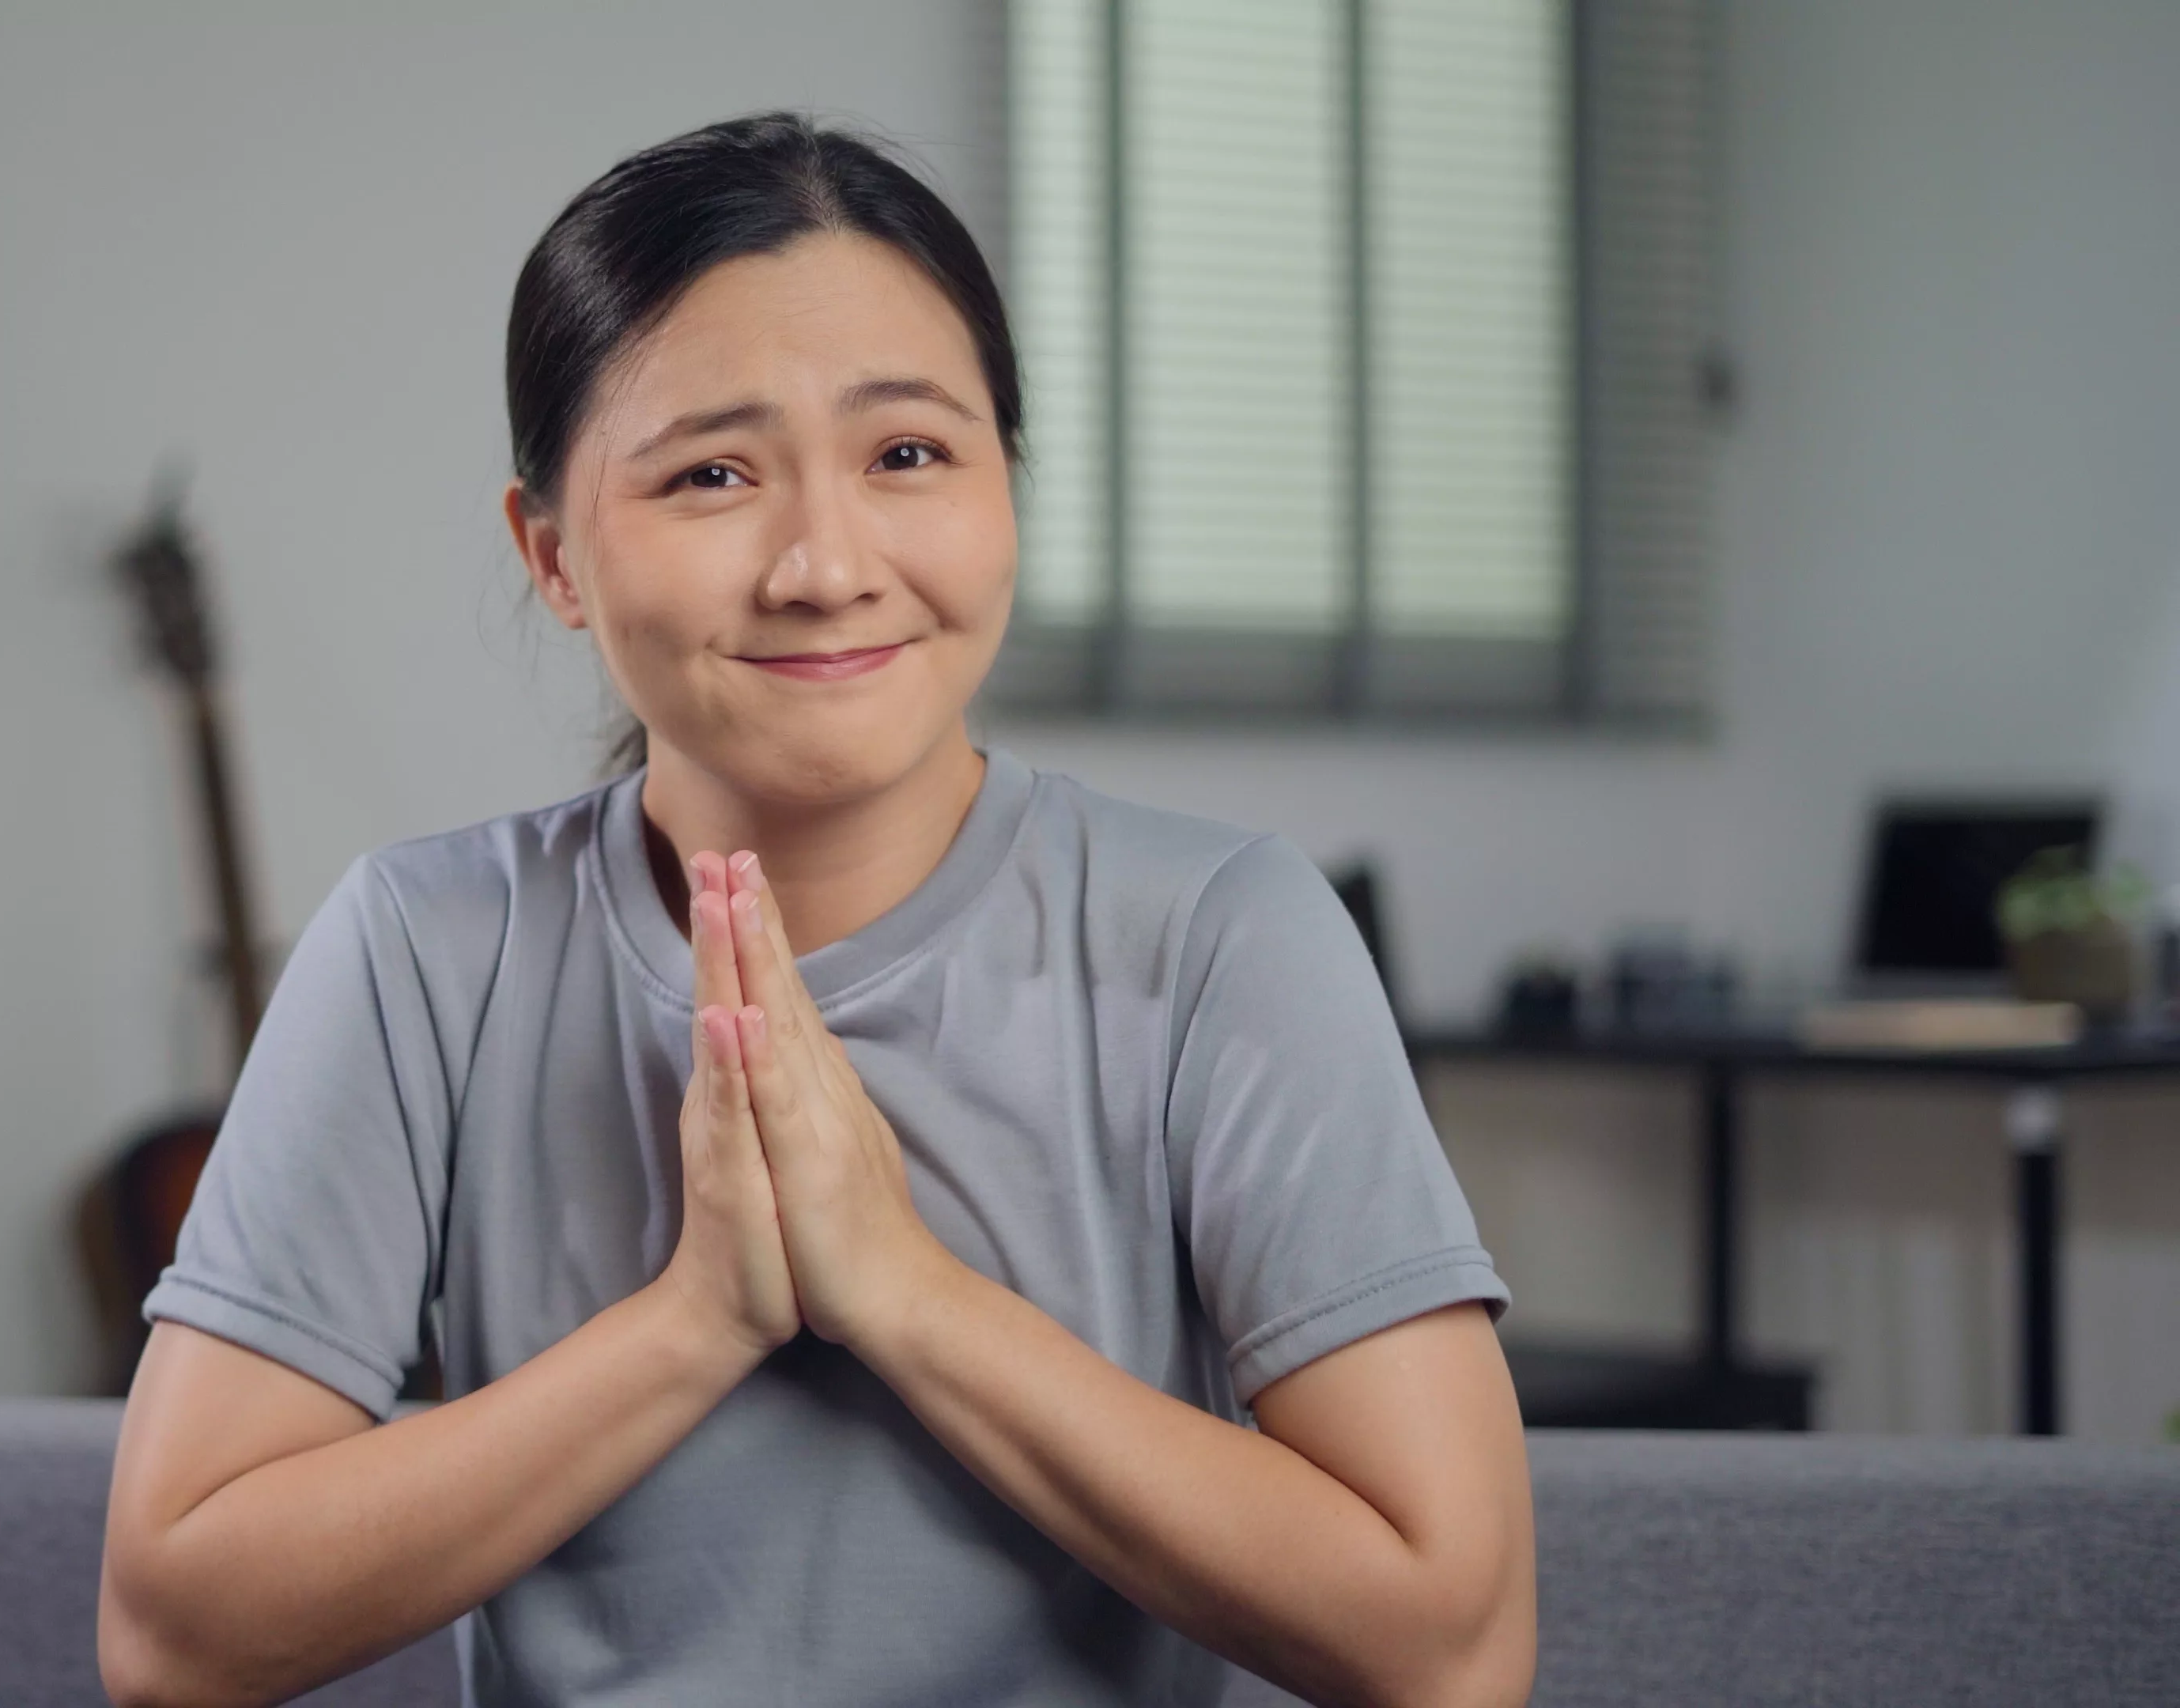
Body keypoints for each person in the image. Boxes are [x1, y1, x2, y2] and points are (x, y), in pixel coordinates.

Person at [98, 113, 1534, 1708]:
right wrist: (695, 1322)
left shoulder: (1222, 938)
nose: (826, 563)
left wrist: (905, 1291)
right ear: (553, 553)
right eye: (712, 473)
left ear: (1007, 484)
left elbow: (1451, 1647)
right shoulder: (429, 950)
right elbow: (174, 1635)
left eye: (908, 454)